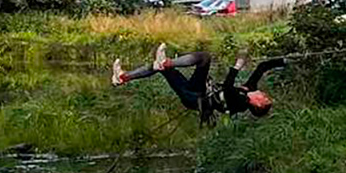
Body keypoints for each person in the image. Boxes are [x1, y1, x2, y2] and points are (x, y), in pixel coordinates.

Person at [112, 43, 285, 124]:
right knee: (161, 67)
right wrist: (285, 61)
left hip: (194, 97)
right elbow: (263, 67)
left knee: (204, 58)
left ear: (257, 103)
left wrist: (237, 66)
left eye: (264, 98)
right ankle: (122, 77)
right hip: (197, 91)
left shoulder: (240, 104)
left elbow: (228, 87)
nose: (264, 94)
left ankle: (166, 63)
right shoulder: (249, 89)